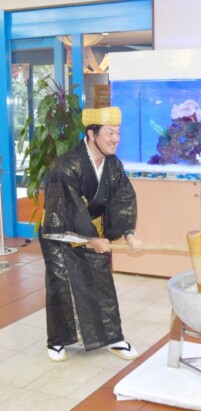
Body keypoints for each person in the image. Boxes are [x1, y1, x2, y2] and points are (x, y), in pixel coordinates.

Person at [40, 106, 143, 362]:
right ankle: (57, 341)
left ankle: (113, 337)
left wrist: (128, 234)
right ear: (91, 134)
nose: (115, 139)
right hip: (59, 234)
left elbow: (122, 198)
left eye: (117, 133)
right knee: (61, 287)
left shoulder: (112, 164)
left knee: (101, 282)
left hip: (93, 232)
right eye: (109, 133)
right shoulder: (67, 166)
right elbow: (66, 209)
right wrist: (91, 238)